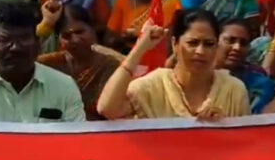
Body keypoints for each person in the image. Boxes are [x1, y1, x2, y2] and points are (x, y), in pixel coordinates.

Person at [97, 8, 250, 119]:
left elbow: (246, 143)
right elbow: (107, 108)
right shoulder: (153, 86)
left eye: (209, 44)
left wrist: (225, 127)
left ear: (216, 46)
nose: (200, 51)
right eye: (193, 43)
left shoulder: (234, 90)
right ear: (175, 44)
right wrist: (140, 48)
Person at [0, 2, 85, 122]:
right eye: (5, 39)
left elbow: (76, 142)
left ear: (38, 44)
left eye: (24, 39)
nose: (15, 47)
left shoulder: (64, 87)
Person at [38, 5, 122, 121]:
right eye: (66, 36)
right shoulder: (49, 63)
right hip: (56, 129)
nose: (75, 40)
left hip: (99, 129)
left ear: (93, 30)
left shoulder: (110, 65)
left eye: (80, 32)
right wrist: (45, 26)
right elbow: (21, 63)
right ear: (59, 39)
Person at [217, 18, 275, 114]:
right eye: (230, 40)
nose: (237, 47)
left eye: (243, 43)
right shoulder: (197, 77)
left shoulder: (259, 84)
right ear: (214, 42)